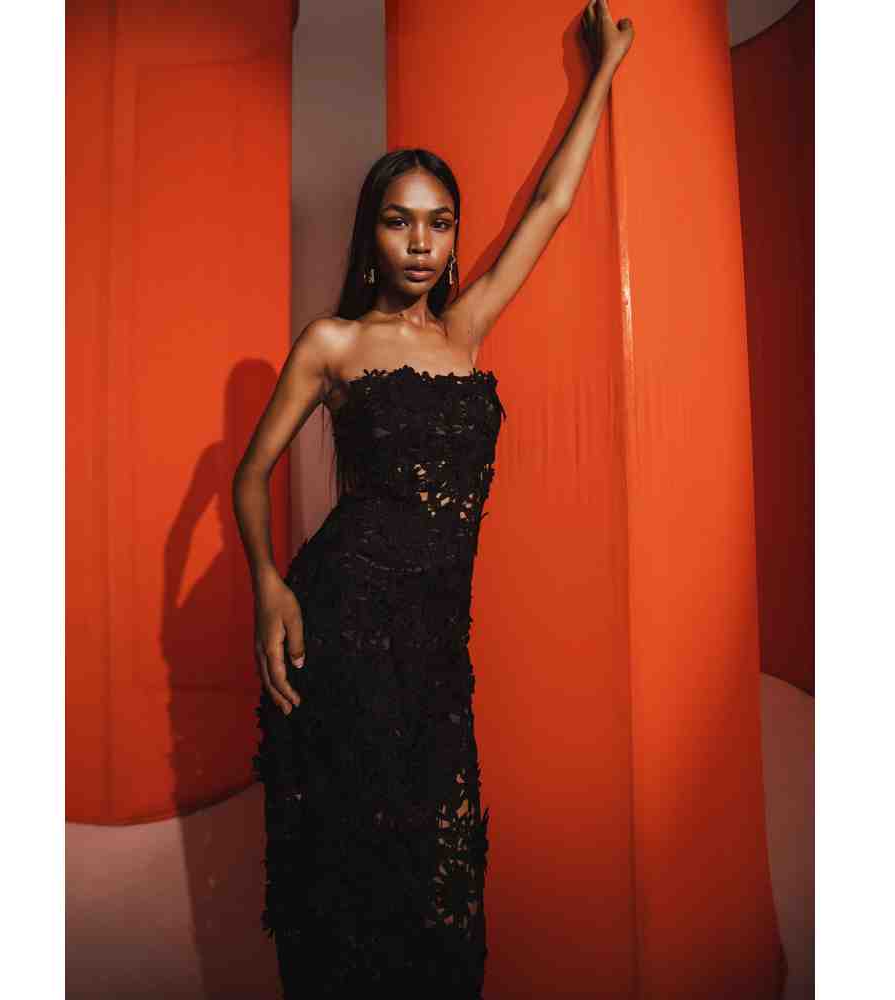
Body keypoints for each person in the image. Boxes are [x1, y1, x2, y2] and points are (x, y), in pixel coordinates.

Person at [232, 3, 634, 994]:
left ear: (454, 240)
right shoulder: (332, 343)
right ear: (371, 233)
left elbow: (551, 206)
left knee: (441, 882)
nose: (420, 242)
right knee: (349, 872)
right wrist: (268, 586)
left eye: (439, 222)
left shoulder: (464, 330)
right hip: (342, 627)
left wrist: (604, 72)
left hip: (436, 648)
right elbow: (249, 474)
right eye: (399, 219)